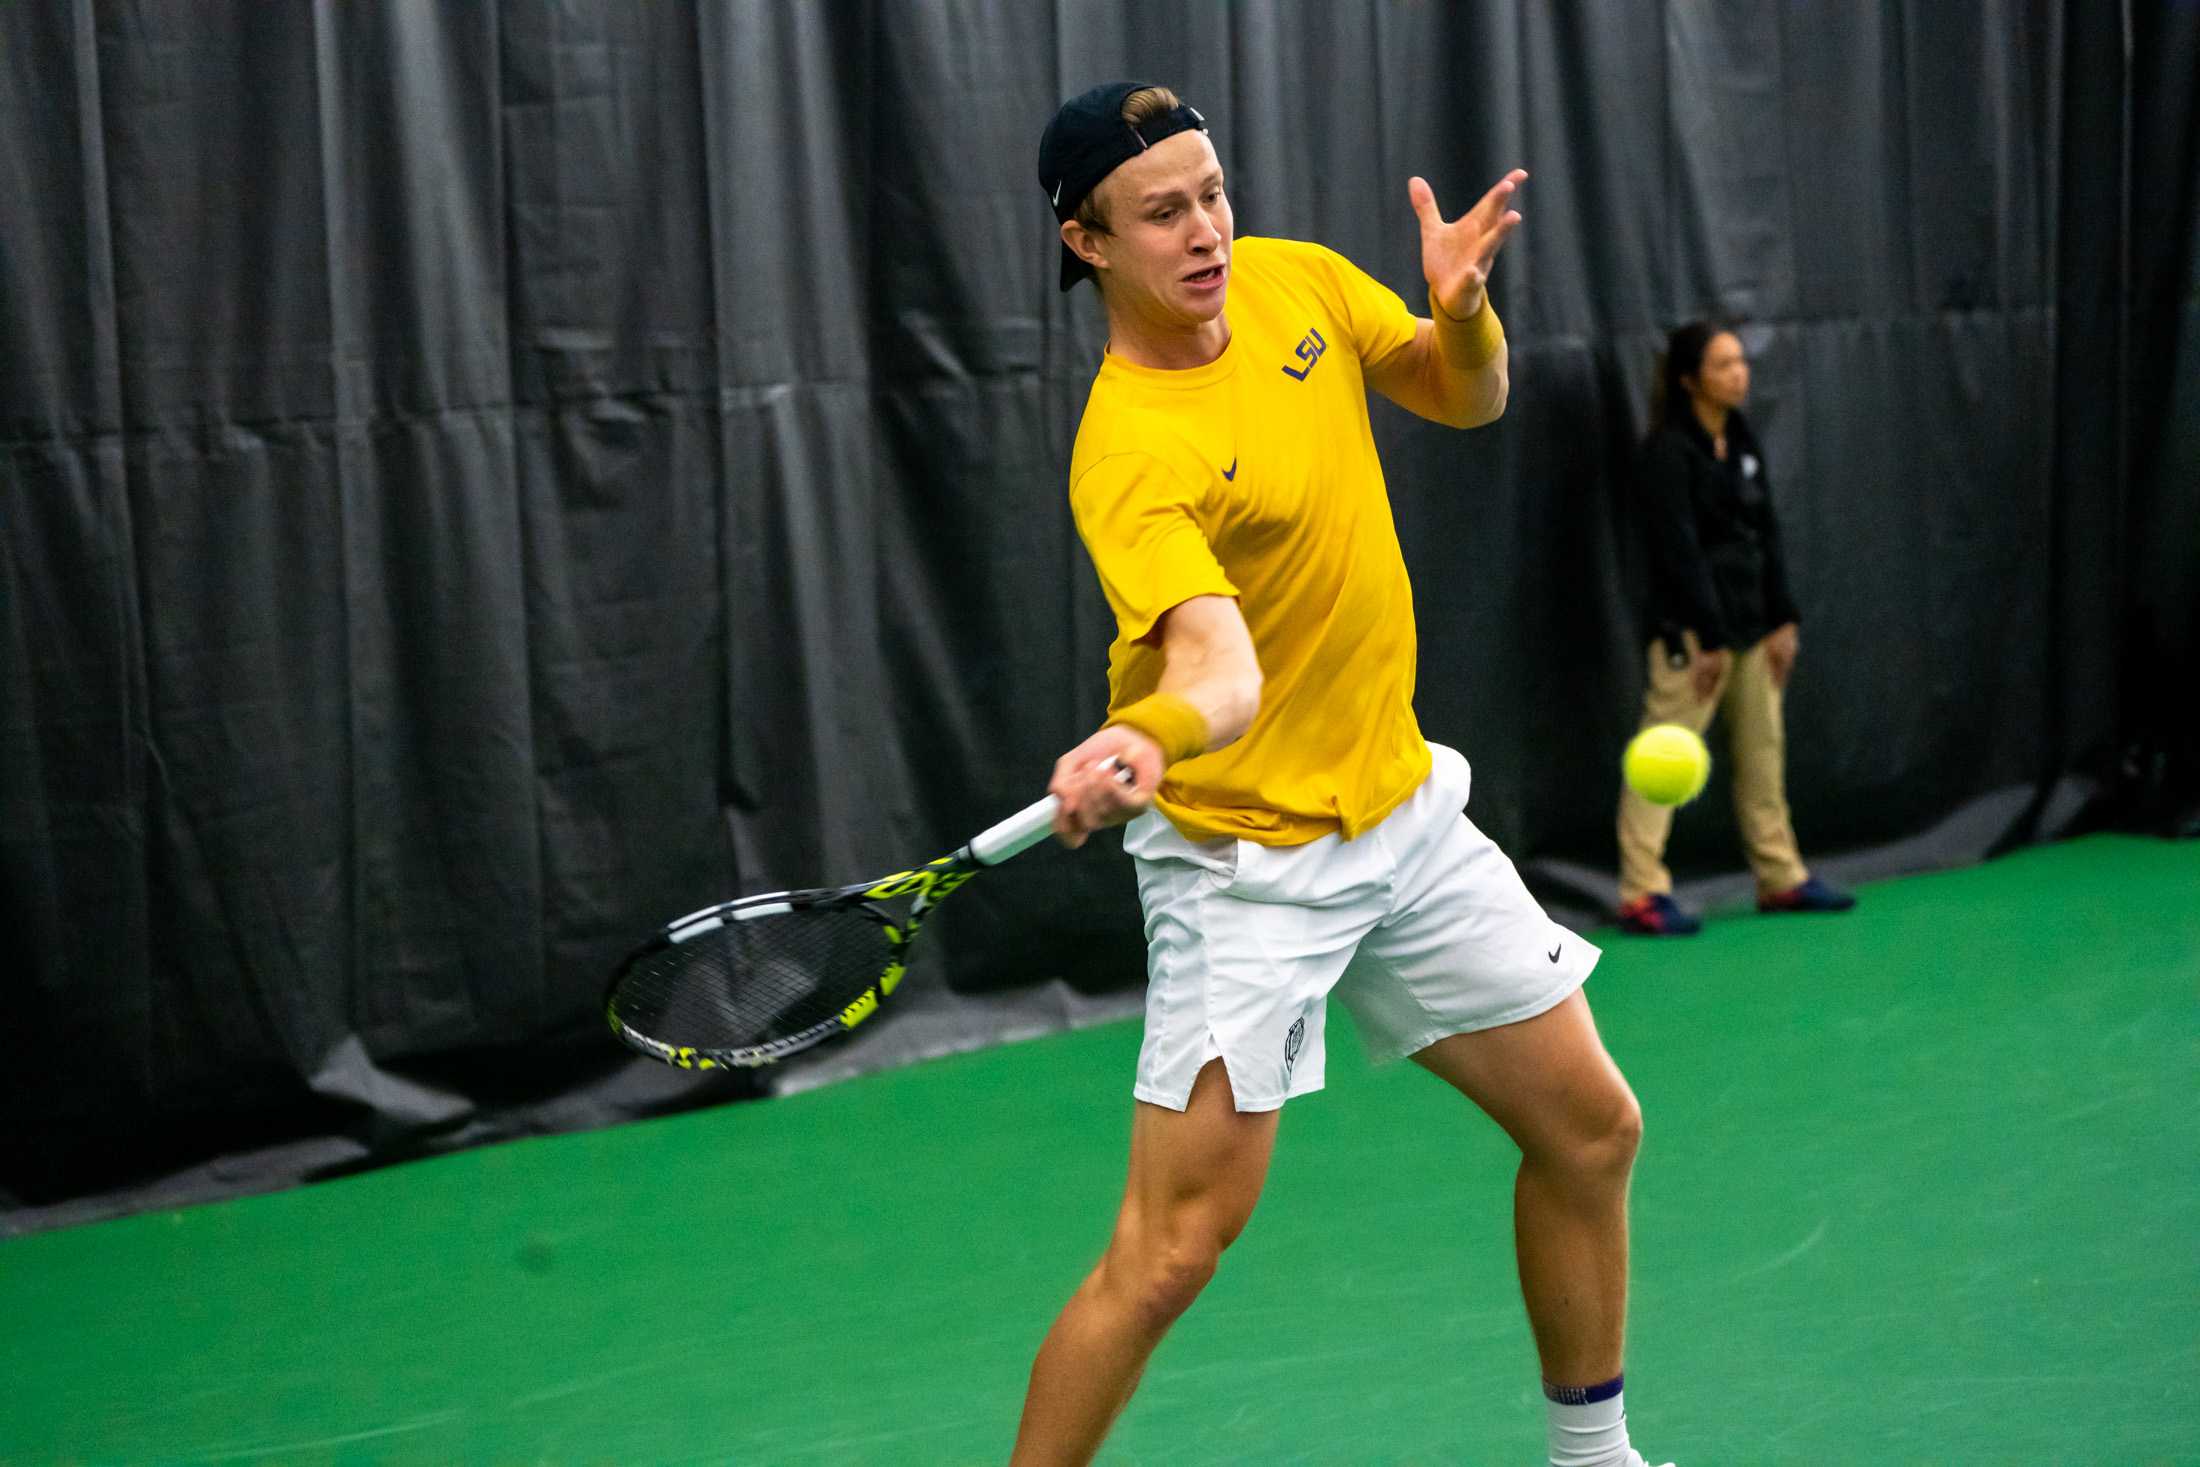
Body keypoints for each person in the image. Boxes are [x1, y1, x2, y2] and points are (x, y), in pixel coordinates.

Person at [1013, 81, 1673, 1467]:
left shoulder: (1292, 281)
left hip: (1402, 811)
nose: (1205, 232)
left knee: (1592, 1126)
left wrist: (1462, 308)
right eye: (1161, 213)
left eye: (1212, 192)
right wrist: (1154, 736)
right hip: (1248, 867)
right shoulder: (1129, 451)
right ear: (1087, 242)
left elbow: (1466, 393)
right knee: (1170, 1253)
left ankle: (1593, 1457)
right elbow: (1221, 673)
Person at [1615, 323, 1857, 935]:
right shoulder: (1668, 453)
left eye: (1741, 362)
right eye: (1723, 365)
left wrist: (1784, 619)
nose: (1739, 373)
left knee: (1763, 758)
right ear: (1690, 379)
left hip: (1753, 630)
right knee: (1660, 762)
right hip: (1692, 640)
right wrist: (1710, 638)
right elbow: (1679, 550)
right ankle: (1642, 892)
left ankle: (1781, 879)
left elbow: (1766, 531)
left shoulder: (1743, 439)